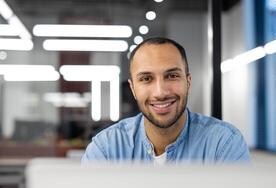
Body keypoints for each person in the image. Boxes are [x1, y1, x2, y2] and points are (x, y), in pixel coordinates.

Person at [82, 37, 250, 164]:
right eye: (146, 78)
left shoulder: (224, 143)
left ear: (188, 82)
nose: (160, 92)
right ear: (133, 89)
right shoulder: (106, 148)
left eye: (171, 76)